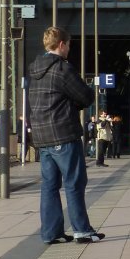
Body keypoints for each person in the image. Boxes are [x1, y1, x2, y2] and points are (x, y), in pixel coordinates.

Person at [26, 27, 105, 244]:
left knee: (49, 185)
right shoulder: (62, 69)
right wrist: (74, 104)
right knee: (74, 182)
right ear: (61, 44)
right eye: (69, 44)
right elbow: (86, 96)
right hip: (63, 133)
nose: (70, 48)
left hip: (42, 136)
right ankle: (82, 230)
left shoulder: (35, 70)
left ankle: (51, 233)